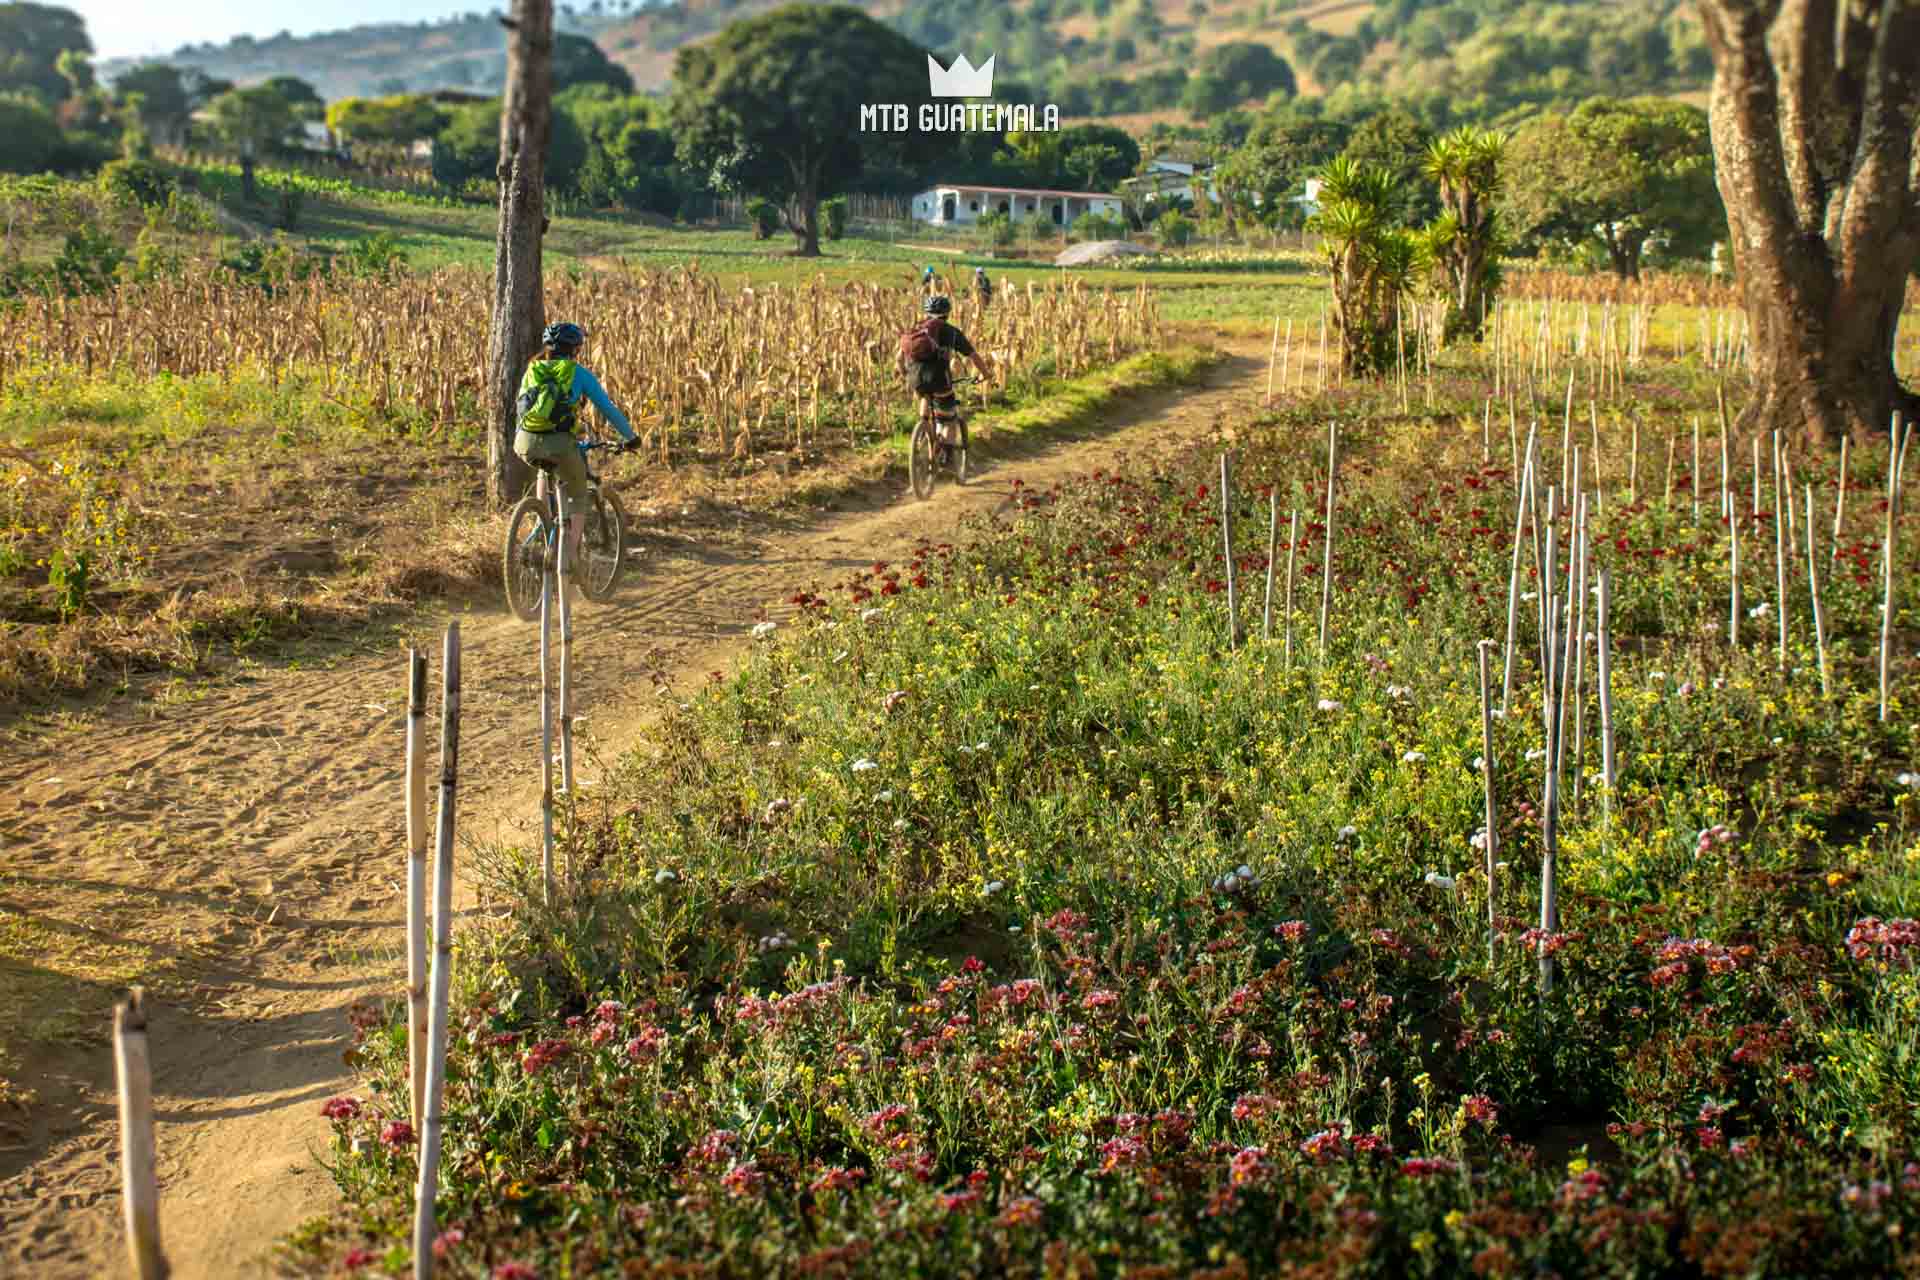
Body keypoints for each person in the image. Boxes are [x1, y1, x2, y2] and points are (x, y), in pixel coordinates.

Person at [513, 321, 638, 575]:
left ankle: (541, 521)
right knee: (578, 494)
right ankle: (570, 558)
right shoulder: (577, 373)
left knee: (542, 468)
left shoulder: (532, 370)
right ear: (575, 350)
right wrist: (631, 437)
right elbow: (608, 409)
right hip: (560, 444)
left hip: (524, 443)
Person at [902, 295, 994, 464]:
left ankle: (922, 426)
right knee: (949, 417)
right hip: (938, 378)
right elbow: (973, 355)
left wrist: (904, 372)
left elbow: (900, 355)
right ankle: (946, 456)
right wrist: (986, 374)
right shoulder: (951, 332)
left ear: (927, 312)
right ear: (947, 313)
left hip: (915, 377)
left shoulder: (916, 330)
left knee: (925, 395)